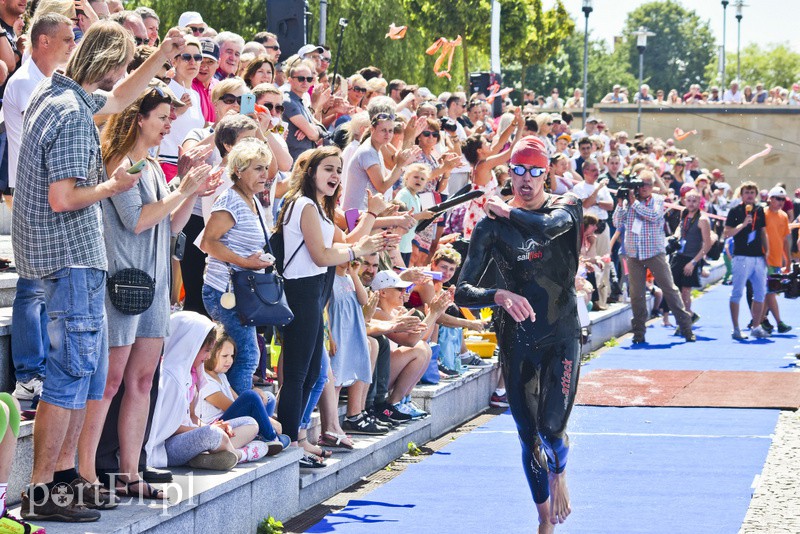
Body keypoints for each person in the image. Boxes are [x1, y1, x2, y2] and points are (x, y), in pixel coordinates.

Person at [14, 22, 186, 523]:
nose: (123, 78)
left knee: (84, 379)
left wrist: (162, 55)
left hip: (73, 263)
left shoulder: (66, 97)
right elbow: (63, 197)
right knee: (70, 379)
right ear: (110, 63)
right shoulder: (69, 113)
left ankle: (64, 477)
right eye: (124, 64)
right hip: (69, 261)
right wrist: (111, 188)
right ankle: (44, 488)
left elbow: (119, 98)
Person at [78, 86, 215, 501]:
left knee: (140, 380)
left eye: (171, 118)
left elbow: (171, 227)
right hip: (122, 285)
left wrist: (190, 190)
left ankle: (129, 471)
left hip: (153, 289)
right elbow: (138, 220)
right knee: (110, 381)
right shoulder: (121, 161)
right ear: (140, 117)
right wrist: (181, 188)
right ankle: (83, 472)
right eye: (162, 117)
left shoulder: (154, 165)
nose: (169, 125)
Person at [455, 136, 581, 531]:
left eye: (535, 171)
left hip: (561, 333)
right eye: (519, 170)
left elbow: (546, 229)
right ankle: (544, 521)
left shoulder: (568, 206)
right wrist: (499, 294)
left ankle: (560, 465)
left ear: (547, 173)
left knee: (551, 430)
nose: (526, 179)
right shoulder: (490, 228)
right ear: (510, 172)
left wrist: (508, 213)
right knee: (528, 436)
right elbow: (462, 291)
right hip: (518, 339)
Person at [273, 146, 393, 462]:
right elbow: (323, 256)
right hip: (301, 292)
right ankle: (289, 441)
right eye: (328, 168)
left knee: (313, 373)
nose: (335, 176)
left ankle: (296, 436)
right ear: (311, 172)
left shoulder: (319, 208)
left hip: (315, 294)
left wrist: (371, 220)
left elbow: (347, 245)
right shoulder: (302, 205)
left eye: (339, 170)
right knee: (299, 374)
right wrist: (357, 250)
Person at [6, 13, 76, 403]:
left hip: (53, 194)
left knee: (45, 285)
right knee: (32, 288)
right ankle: (29, 374)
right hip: (34, 196)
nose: (72, 43)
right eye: (66, 38)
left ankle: (41, 371)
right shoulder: (23, 84)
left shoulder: (55, 82)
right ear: (43, 41)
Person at [201, 138, 276, 394]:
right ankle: (240, 419)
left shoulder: (252, 200)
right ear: (238, 171)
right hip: (225, 291)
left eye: (265, 168)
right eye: (257, 168)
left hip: (241, 291)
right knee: (245, 357)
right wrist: (247, 263)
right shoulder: (230, 200)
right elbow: (207, 243)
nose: (265, 175)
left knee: (243, 357)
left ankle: (238, 414)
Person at [145, 312, 260, 470]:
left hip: (191, 435)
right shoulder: (170, 377)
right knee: (214, 434)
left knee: (250, 423)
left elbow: (192, 416)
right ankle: (239, 455)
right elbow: (170, 428)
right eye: (206, 351)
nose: (207, 357)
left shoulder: (192, 373)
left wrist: (209, 426)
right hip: (167, 446)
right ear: (190, 346)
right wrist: (208, 429)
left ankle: (206, 456)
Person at [612, 169, 696, 344]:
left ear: (652, 186)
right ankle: (638, 333)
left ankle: (686, 328)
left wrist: (633, 202)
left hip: (654, 252)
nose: (643, 188)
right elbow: (617, 223)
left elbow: (654, 216)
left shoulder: (657, 200)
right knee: (636, 295)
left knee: (670, 289)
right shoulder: (628, 202)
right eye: (640, 184)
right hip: (633, 254)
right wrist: (620, 204)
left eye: (647, 184)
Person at [197, 330, 289, 454]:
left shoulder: (221, 376)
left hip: (229, 420)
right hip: (217, 425)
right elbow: (230, 405)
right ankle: (271, 438)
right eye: (225, 356)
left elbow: (237, 398)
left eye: (231, 356)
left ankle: (261, 435)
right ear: (211, 354)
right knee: (251, 397)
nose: (229, 361)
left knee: (268, 398)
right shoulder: (205, 380)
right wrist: (269, 420)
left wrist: (256, 394)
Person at [723, 182, 770, 340]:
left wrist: (767, 251)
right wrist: (742, 225)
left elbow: (763, 232)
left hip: (758, 257)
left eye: (752, 192)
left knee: (760, 293)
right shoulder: (735, 211)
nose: (749, 195)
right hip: (742, 256)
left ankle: (756, 326)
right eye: (746, 192)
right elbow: (727, 233)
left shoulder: (760, 210)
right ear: (741, 195)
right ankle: (736, 328)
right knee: (737, 293)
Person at [669, 190, 712, 322]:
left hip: (691, 258)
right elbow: (680, 228)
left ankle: (686, 318)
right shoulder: (684, 213)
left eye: (694, 201)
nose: (691, 204)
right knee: (673, 288)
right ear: (684, 201)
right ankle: (688, 315)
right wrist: (675, 236)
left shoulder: (703, 220)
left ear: (699, 202)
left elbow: (707, 244)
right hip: (679, 255)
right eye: (689, 200)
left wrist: (694, 262)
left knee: (686, 290)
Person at [759, 186, 792, 333]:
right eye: (777, 198)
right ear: (770, 199)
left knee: (769, 292)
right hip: (764, 259)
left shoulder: (784, 216)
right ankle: (779, 322)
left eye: (783, 199)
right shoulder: (763, 214)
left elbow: (785, 239)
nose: (780, 202)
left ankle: (759, 320)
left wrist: (788, 259)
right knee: (770, 292)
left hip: (777, 260)